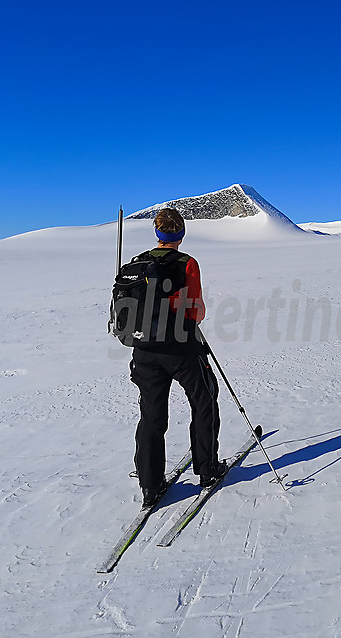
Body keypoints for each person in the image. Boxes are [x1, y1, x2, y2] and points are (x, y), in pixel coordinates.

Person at [129, 208, 225, 506]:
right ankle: (208, 470)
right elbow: (196, 310)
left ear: (157, 234)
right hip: (180, 347)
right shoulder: (187, 263)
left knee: (152, 415)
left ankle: (150, 483)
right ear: (181, 234)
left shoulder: (137, 263)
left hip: (143, 350)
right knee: (205, 398)